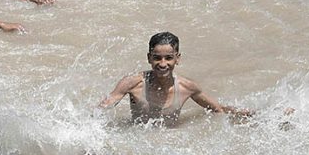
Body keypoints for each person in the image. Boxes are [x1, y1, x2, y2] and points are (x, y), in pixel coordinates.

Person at [98, 32, 253, 127]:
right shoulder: (132, 83)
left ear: (177, 59)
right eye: (157, 58)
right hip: (138, 141)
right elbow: (103, 109)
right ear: (149, 58)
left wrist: (246, 118)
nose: (163, 64)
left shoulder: (187, 87)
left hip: (169, 140)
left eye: (168, 58)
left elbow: (217, 109)